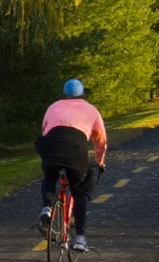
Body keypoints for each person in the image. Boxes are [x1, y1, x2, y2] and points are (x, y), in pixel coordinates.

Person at [34, 78, 107, 251]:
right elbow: (101, 141)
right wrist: (100, 161)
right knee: (80, 189)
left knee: (50, 177)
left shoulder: (53, 106)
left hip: (51, 145)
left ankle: (47, 207)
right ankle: (80, 238)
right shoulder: (91, 110)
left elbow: (45, 129)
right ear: (82, 95)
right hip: (75, 148)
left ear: (64, 94)